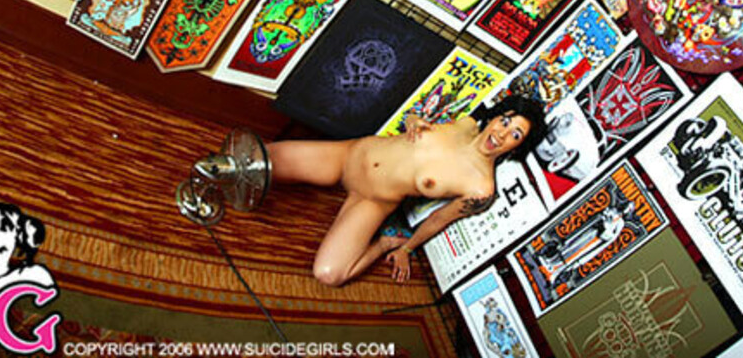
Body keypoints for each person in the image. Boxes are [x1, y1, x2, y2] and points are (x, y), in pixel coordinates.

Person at [199, 94, 545, 287]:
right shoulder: (466, 124)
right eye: (505, 121)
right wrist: (413, 121)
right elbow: (415, 123)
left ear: (517, 147)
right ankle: (207, 187)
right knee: (253, 160)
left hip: (371, 199)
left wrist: (405, 248)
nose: (502, 133)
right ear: (496, 117)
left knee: (329, 274)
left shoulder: (481, 188)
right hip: (349, 155)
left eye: (515, 134)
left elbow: (440, 219)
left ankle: (384, 242)